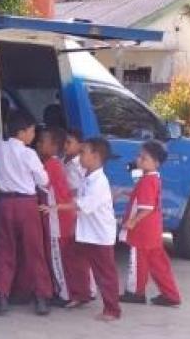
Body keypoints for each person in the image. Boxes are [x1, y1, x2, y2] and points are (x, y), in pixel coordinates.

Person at [0, 110, 51, 316]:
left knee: (5, 250)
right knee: (34, 251)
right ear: (22, 132)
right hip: (26, 204)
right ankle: (41, 297)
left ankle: (1, 296)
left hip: (4, 203)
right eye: (32, 131)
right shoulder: (29, 154)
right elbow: (43, 180)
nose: (33, 136)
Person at [50, 137, 121, 322]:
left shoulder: (99, 182)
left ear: (96, 157)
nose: (80, 156)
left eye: (83, 152)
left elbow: (81, 205)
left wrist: (56, 206)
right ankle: (81, 294)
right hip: (85, 232)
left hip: (99, 235)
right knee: (72, 257)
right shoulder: (87, 176)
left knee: (105, 272)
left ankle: (112, 309)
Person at [119, 140, 181, 307]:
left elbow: (146, 207)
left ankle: (136, 293)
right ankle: (171, 295)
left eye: (144, 158)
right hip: (153, 230)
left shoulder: (147, 180)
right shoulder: (153, 178)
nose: (139, 160)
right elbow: (146, 198)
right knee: (159, 264)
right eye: (139, 156)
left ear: (156, 162)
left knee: (138, 263)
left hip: (142, 231)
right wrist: (126, 192)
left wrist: (132, 221)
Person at [36, 126, 77, 306]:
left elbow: (40, 183)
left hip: (57, 220)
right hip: (62, 217)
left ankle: (63, 294)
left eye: (41, 142)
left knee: (57, 257)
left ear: (53, 146)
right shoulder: (57, 163)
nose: (37, 145)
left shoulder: (51, 165)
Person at [63, 128, 85, 197]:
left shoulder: (81, 164)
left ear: (80, 146)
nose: (64, 146)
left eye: (69, 142)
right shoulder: (61, 160)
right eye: (64, 142)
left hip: (75, 201)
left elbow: (86, 187)